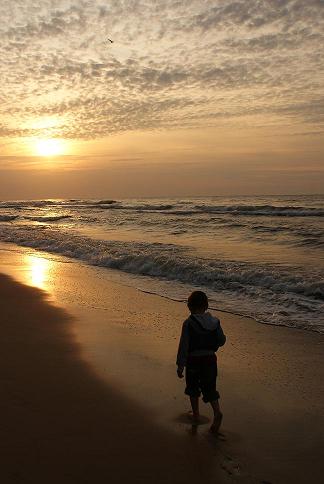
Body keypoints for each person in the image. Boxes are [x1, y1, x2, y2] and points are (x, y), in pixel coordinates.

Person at [176, 291, 226, 433]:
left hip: (194, 360)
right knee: (210, 387)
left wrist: (180, 365)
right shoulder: (215, 322)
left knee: (193, 387)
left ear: (189, 306)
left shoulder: (188, 323)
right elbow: (222, 341)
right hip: (210, 360)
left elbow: (184, 346)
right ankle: (217, 412)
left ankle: (196, 414)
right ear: (207, 306)